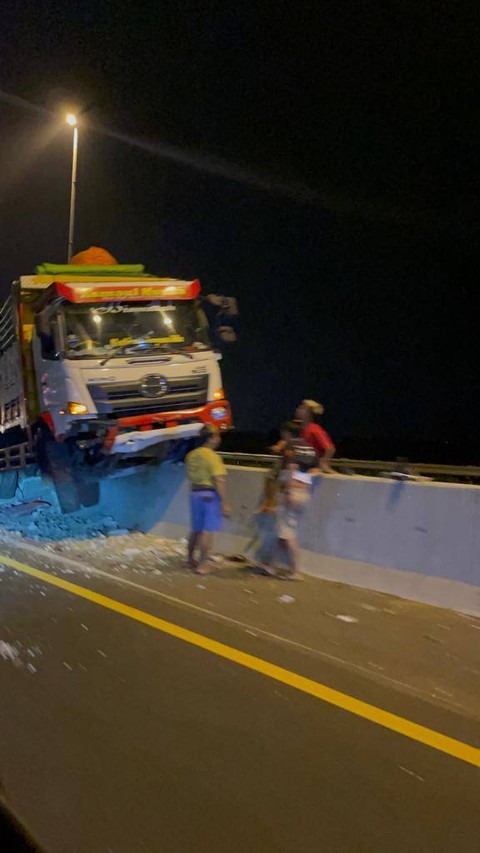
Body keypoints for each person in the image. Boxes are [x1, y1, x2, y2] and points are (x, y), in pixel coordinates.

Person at [186, 424, 231, 574]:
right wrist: (224, 502)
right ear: (210, 438)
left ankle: (190, 558)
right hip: (209, 495)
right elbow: (219, 479)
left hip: (195, 494)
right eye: (217, 436)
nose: (218, 439)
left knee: (196, 530)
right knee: (207, 530)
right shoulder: (213, 456)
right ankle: (203, 564)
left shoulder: (191, 455)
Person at [296, 399, 335, 473]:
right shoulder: (302, 429)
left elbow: (330, 449)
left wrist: (321, 464)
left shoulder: (314, 429)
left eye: (302, 408)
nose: (298, 410)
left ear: (309, 413)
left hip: (311, 468)